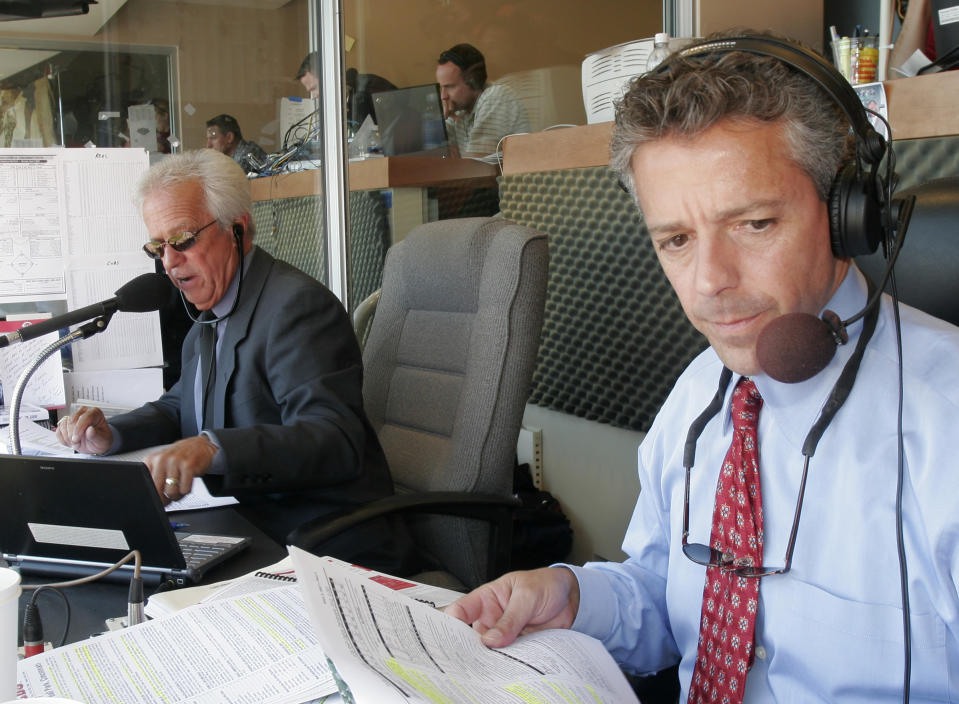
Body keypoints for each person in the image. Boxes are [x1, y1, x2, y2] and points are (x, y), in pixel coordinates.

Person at [447, 32, 959, 701]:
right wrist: (571, 595)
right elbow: (670, 598)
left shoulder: (943, 428)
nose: (709, 281)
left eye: (752, 224)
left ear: (846, 214)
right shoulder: (699, 395)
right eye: (677, 240)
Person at [55, 149, 396, 559]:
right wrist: (114, 434)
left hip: (318, 539)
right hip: (244, 522)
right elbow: (181, 404)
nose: (169, 262)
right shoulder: (212, 306)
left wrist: (212, 448)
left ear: (238, 229)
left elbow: (334, 439)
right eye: (157, 247)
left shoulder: (297, 308)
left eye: (182, 240)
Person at [435, 43, 530, 157]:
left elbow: (478, 163)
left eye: (450, 87)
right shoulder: (457, 111)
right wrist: (440, 121)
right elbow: (439, 159)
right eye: (441, 88)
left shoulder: (496, 97)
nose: (443, 96)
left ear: (473, 81)